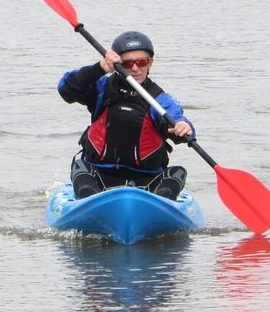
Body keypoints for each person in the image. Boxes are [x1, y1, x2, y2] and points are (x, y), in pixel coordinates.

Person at [58, 30, 195, 200]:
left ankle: (159, 202)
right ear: (117, 64)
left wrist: (184, 127)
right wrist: (100, 68)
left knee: (177, 174)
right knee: (80, 168)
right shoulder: (102, 88)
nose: (135, 68)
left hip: (148, 179)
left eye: (142, 62)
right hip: (99, 176)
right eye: (127, 63)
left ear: (150, 62)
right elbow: (66, 89)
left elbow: (179, 122)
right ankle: (90, 201)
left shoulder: (159, 99)